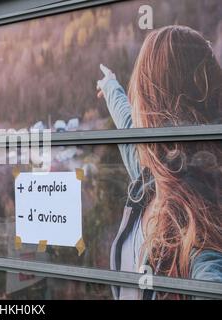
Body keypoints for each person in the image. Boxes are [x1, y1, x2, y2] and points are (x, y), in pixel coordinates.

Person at [96, 25, 222, 299]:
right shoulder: (153, 175)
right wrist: (110, 87)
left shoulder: (201, 215)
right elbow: (128, 126)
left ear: (150, 100)